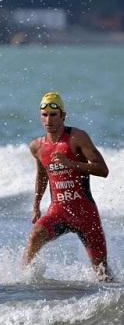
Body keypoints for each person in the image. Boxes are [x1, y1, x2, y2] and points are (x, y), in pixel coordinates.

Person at [23, 92, 113, 282]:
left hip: (86, 215)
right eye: (44, 115)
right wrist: (36, 206)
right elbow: (41, 175)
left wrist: (72, 164)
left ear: (63, 116)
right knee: (34, 237)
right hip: (58, 212)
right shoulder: (37, 147)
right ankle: (23, 283)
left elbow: (103, 170)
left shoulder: (77, 137)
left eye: (54, 115)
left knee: (103, 273)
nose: (49, 119)